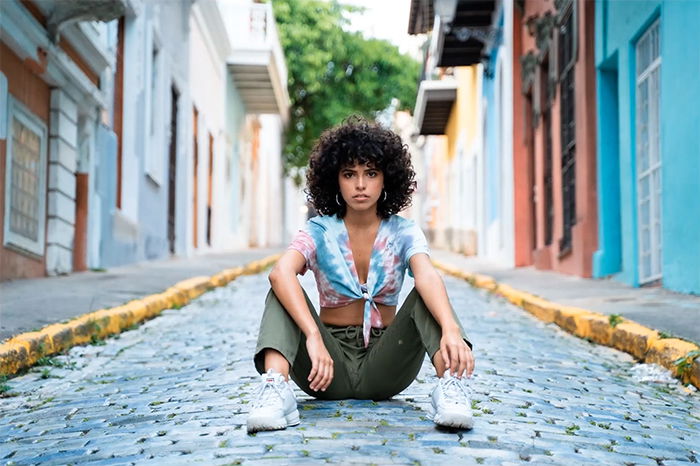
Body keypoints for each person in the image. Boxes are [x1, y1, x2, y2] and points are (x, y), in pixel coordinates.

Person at [247, 117, 475, 433]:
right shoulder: (319, 229)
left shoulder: (404, 232)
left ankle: (450, 385)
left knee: (426, 294)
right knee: (281, 290)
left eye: (371, 173)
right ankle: (275, 390)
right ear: (335, 180)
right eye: (349, 174)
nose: (360, 184)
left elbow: (426, 275)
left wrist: (450, 328)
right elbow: (280, 272)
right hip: (324, 366)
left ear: (386, 179)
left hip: (386, 366)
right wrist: (313, 336)